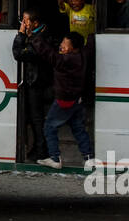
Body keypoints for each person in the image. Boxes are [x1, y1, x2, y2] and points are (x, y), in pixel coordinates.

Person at [31, 31, 95, 167]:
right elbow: (89, 46)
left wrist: (36, 38)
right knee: (78, 128)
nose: (61, 46)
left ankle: (54, 158)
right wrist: (90, 34)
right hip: (77, 99)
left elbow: (49, 54)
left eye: (64, 44)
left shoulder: (66, 60)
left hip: (64, 100)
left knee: (49, 126)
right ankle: (88, 157)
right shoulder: (83, 54)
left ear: (73, 47)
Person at [12, 8, 55, 162]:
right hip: (35, 80)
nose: (23, 23)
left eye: (26, 21)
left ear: (35, 23)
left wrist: (20, 35)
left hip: (37, 82)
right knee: (32, 117)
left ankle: (42, 152)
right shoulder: (39, 34)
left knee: (37, 119)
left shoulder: (39, 39)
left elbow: (18, 53)